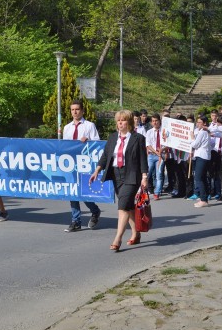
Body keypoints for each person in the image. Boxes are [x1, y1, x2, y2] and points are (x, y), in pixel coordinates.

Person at [89, 110, 148, 252]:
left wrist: (144, 177)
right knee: (128, 207)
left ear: (129, 122)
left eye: (123, 120)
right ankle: (136, 233)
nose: (120, 123)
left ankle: (117, 238)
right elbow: (105, 156)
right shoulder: (112, 137)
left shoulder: (138, 138)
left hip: (132, 174)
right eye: (118, 120)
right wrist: (97, 170)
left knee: (122, 206)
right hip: (116, 174)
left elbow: (142, 158)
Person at [63, 100, 101, 232]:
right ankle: (76, 221)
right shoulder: (67, 128)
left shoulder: (89, 126)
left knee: (83, 192)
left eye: (77, 109)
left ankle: (95, 210)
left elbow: (97, 144)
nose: (75, 112)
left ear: (82, 111)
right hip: (70, 164)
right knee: (73, 192)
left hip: (84, 163)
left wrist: (88, 142)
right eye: (72, 109)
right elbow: (64, 146)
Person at [190, 116, 211, 208]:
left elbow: (195, 144)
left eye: (200, 122)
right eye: (197, 122)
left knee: (198, 177)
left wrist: (192, 138)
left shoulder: (203, 132)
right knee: (202, 177)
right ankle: (204, 197)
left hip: (202, 156)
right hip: (202, 156)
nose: (198, 124)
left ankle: (203, 199)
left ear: (204, 123)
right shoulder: (202, 132)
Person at [145, 113, 165, 200]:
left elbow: (168, 143)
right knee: (147, 174)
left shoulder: (164, 131)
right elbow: (148, 144)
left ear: (159, 121)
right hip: (151, 155)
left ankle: (157, 193)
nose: (154, 123)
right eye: (153, 121)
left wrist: (162, 150)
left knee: (159, 174)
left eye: (156, 121)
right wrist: (155, 152)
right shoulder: (149, 132)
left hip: (161, 156)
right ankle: (143, 191)